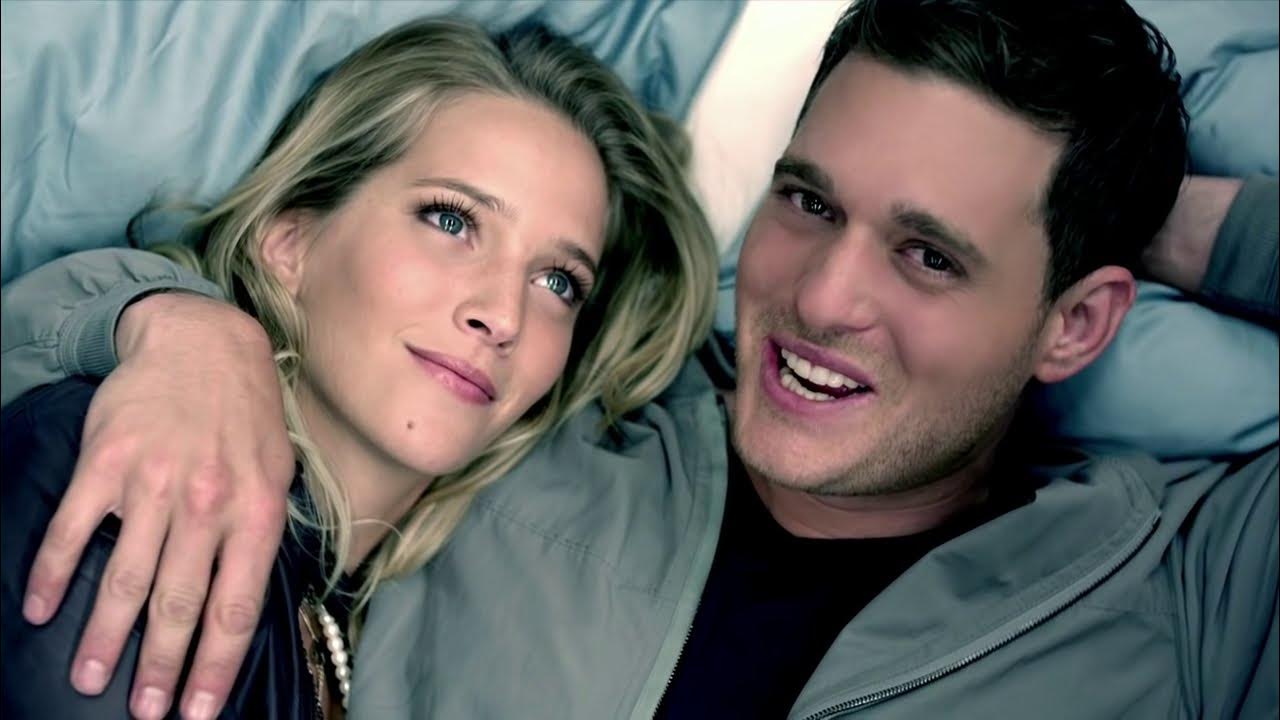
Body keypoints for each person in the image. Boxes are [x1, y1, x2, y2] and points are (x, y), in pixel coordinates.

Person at [2, 0, 1277, 718]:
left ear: (1076, 324)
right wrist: (177, 327)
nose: (819, 297)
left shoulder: (1184, 588)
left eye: (928, 254)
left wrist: (1159, 222)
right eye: (807, 202)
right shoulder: (561, 426)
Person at [0, 16, 717, 720]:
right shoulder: (137, 481)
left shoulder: (364, 625)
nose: (503, 315)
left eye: (558, 281)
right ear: (290, 240)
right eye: (452, 221)